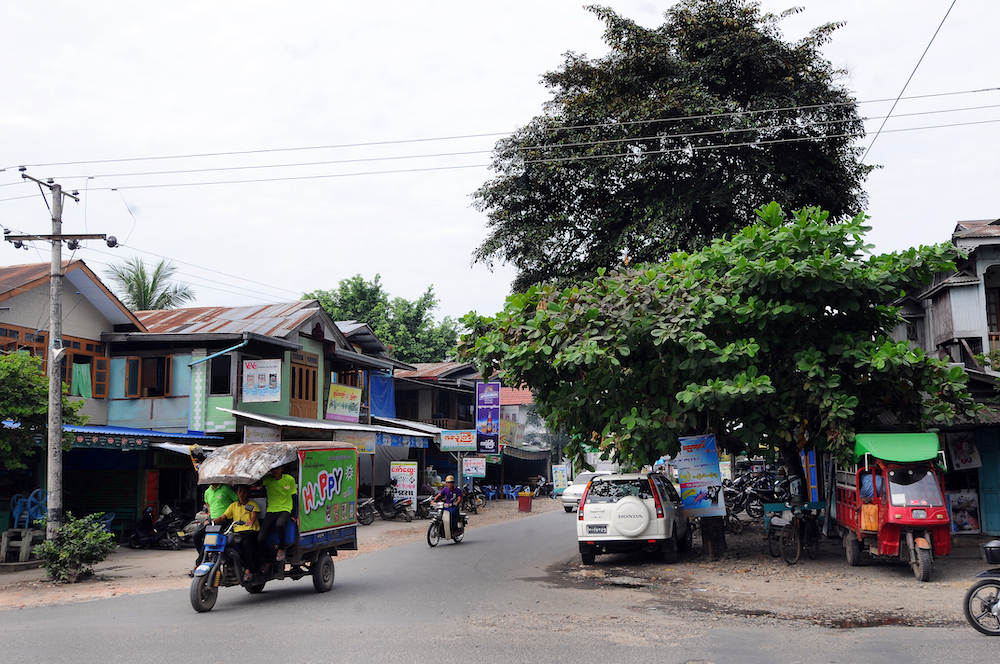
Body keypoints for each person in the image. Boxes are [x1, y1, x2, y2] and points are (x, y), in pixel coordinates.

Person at [215, 484, 259, 582]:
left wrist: (251, 521)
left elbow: (253, 515)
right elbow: (223, 516)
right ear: (237, 493)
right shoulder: (233, 505)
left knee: (246, 544)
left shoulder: (252, 504)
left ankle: (248, 571)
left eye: (244, 492)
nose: (241, 494)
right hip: (237, 532)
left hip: (250, 531)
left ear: (247, 493)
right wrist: (214, 521)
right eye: (240, 491)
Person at [191, 483, 238, 576]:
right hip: (211, 520)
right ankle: (203, 559)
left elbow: (236, 500)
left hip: (224, 519)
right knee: (196, 536)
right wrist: (209, 513)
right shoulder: (207, 492)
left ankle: (200, 562)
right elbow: (207, 503)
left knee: (213, 539)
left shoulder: (226, 488)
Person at [258, 465, 297, 566]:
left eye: (278, 468)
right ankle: (268, 559)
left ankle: (281, 547)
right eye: (273, 469)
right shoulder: (268, 479)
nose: (275, 471)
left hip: (285, 509)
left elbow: (294, 496)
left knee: (280, 524)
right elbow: (258, 482)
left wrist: (293, 513)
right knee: (261, 539)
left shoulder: (289, 479)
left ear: (282, 468)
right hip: (271, 510)